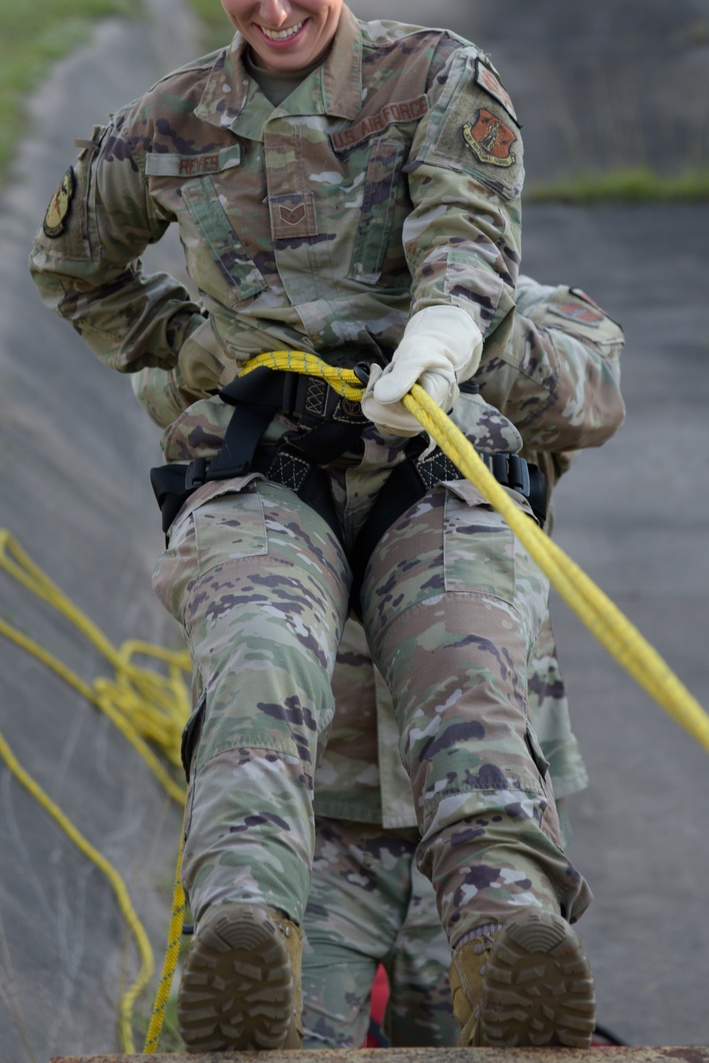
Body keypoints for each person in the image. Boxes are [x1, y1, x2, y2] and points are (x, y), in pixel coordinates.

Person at [29, 0, 624, 1051]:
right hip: (266, 468)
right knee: (255, 660)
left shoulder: (436, 79)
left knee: (467, 674)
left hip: (426, 450)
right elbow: (72, 264)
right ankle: (243, 930)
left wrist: (451, 332)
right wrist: (188, 348)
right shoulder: (170, 124)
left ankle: (508, 938)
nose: (274, 2)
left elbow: (468, 223)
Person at [132, 275, 623, 1048]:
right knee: (263, 1029)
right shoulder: (249, 303)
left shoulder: (515, 304)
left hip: (478, 808)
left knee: (509, 1023)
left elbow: (589, 398)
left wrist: (444, 338)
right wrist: (302, 355)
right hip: (314, 818)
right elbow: (167, 383)